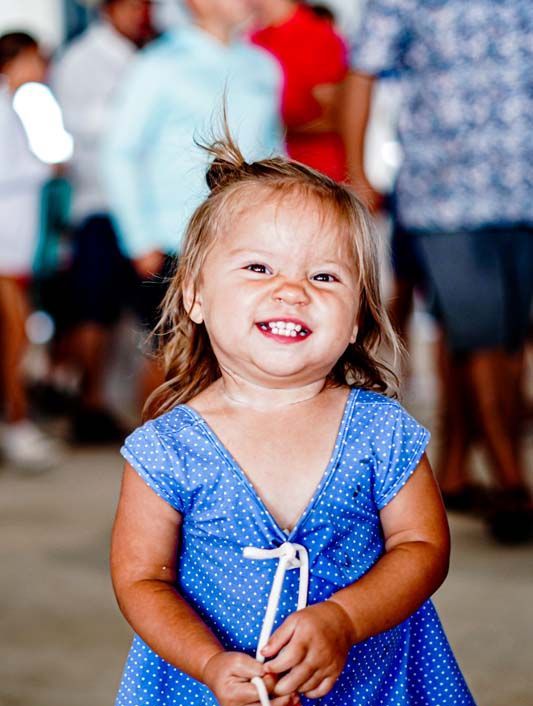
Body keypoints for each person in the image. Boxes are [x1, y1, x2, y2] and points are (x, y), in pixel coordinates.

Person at [94, 137, 514, 706]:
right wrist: (209, 663)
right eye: (258, 267)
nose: (291, 290)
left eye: (324, 277)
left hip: (367, 704)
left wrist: (344, 619)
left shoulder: (379, 431)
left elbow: (423, 546)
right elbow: (141, 579)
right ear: (196, 296)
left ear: (356, 319)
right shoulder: (166, 449)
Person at [342, 0, 533, 542]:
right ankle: (512, 483)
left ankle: (453, 472)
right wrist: (358, 172)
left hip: (524, 194)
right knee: (481, 337)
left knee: (505, 340)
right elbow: (361, 71)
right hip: (447, 197)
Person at [101, 0, 283, 407]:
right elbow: (121, 152)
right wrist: (139, 239)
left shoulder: (263, 66)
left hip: (249, 239)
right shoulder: (158, 64)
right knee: (171, 360)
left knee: (237, 357)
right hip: (175, 238)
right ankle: (153, 446)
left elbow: (275, 153)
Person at [52, 0, 155, 443]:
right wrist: (133, 117)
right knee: (93, 308)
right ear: (108, 9)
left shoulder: (145, 53)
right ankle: (89, 404)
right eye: (131, 7)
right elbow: (72, 124)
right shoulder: (80, 59)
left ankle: (117, 405)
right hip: (99, 201)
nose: (139, 15)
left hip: (141, 205)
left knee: (135, 314)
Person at [0, 32, 60, 470]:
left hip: (14, 247)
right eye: (35, 59)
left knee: (14, 336)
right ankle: (17, 426)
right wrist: (45, 168)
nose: (42, 68)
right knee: (15, 336)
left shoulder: (11, 104)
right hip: (4, 248)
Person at [250, 0, 348, 181]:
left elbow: (339, 116)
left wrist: (277, 128)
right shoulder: (252, 40)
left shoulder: (320, 37)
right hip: (268, 171)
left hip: (317, 173)